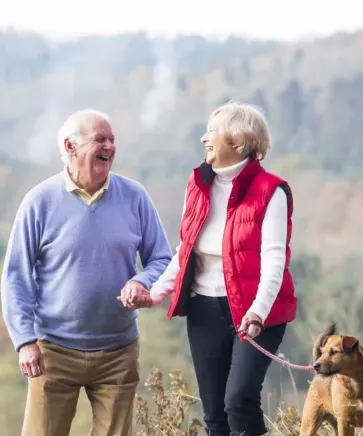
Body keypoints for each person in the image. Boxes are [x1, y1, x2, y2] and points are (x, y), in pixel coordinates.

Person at [120, 101, 297, 436]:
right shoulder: (198, 184)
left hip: (256, 311)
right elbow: (186, 251)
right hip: (205, 308)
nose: (204, 138)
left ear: (238, 139)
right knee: (215, 413)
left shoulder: (271, 191)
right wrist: (155, 293)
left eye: (212, 130)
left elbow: (275, 259)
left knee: (240, 400)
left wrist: (257, 312)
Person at [1, 108, 173, 436]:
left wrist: (142, 281)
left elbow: (162, 259)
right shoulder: (39, 202)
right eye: (99, 139)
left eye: (112, 139)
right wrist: (24, 341)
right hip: (52, 351)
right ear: (70, 147)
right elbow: (16, 277)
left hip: (118, 351)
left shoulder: (135, 197)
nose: (109, 146)